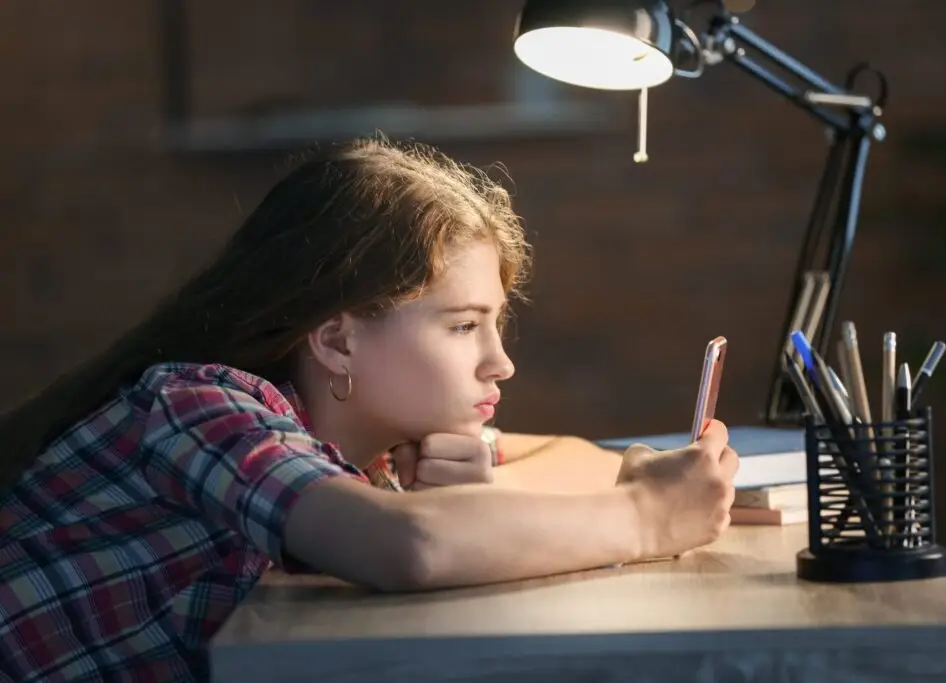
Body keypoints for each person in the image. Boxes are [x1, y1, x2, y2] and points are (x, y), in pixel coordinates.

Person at [0, 136, 738, 683]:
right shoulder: (200, 405)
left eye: (497, 322)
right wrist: (648, 516)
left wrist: (482, 498)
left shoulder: (368, 446)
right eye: (462, 325)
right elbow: (408, 548)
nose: (500, 360)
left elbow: (583, 456)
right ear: (336, 339)